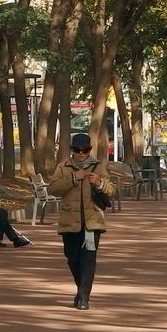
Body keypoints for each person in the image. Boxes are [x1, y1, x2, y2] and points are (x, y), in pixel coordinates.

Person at [47, 133, 115, 310]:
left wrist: (98, 182)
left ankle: (84, 296)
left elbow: (110, 190)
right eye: (77, 150)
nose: (80, 153)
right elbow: (53, 189)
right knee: (72, 258)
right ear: (72, 150)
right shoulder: (64, 167)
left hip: (92, 223)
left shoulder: (98, 166)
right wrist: (73, 178)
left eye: (84, 150)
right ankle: (81, 289)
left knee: (88, 260)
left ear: (89, 149)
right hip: (70, 222)